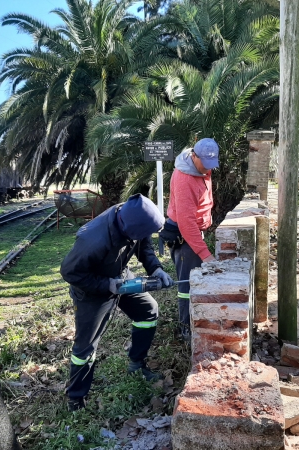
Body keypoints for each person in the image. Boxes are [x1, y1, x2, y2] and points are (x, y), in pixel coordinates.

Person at [60, 193, 174, 412]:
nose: (146, 235)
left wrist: (156, 269)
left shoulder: (132, 218)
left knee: (148, 310)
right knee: (85, 347)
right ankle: (76, 399)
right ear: (129, 229)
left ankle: (136, 365)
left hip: (120, 275)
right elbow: (70, 273)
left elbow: (144, 246)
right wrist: (106, 285)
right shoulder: (92, 240)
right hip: (91, 290)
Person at [160, 138, 219, 340]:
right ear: (194, 156)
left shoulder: (203, 169)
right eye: (205, 164)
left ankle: (195, 320)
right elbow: (186, 224)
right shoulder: (184, 179)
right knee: (187, 285)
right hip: (185, 238)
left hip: (194, 233)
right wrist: (205, 254)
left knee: (194, 282)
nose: (208, 169)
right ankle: (185, 328)